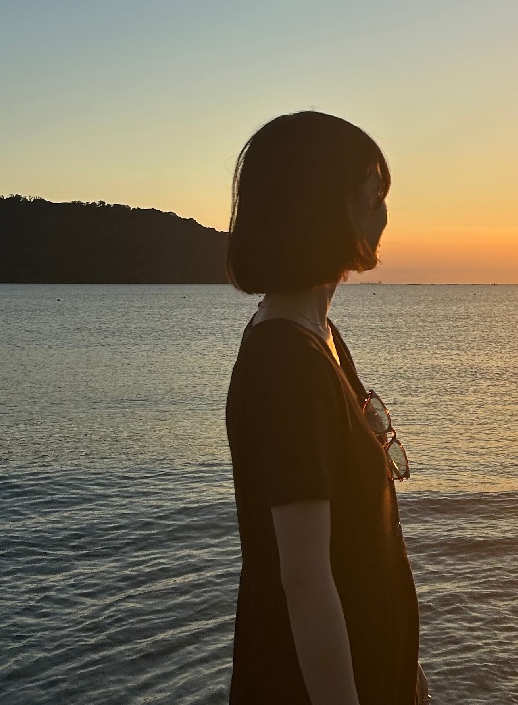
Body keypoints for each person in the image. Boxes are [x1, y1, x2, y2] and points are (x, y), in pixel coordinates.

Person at [224, 112, 426, 705]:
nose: (383, 213)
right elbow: (305, 580)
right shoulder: (289, 365)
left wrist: (407, 673)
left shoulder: (322, 337)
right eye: (372, 195)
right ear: (319, 207)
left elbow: (367, 539)